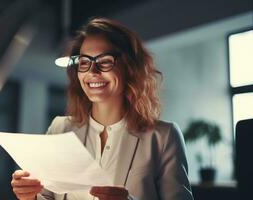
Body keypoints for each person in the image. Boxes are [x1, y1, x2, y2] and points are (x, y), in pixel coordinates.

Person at [11, 17, 194, 200]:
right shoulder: (60, 129)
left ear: (129, 67)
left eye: (105, 61)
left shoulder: (163, 137)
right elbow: (47, 196)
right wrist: (30, 196)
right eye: (84, 62)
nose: (92, 71)